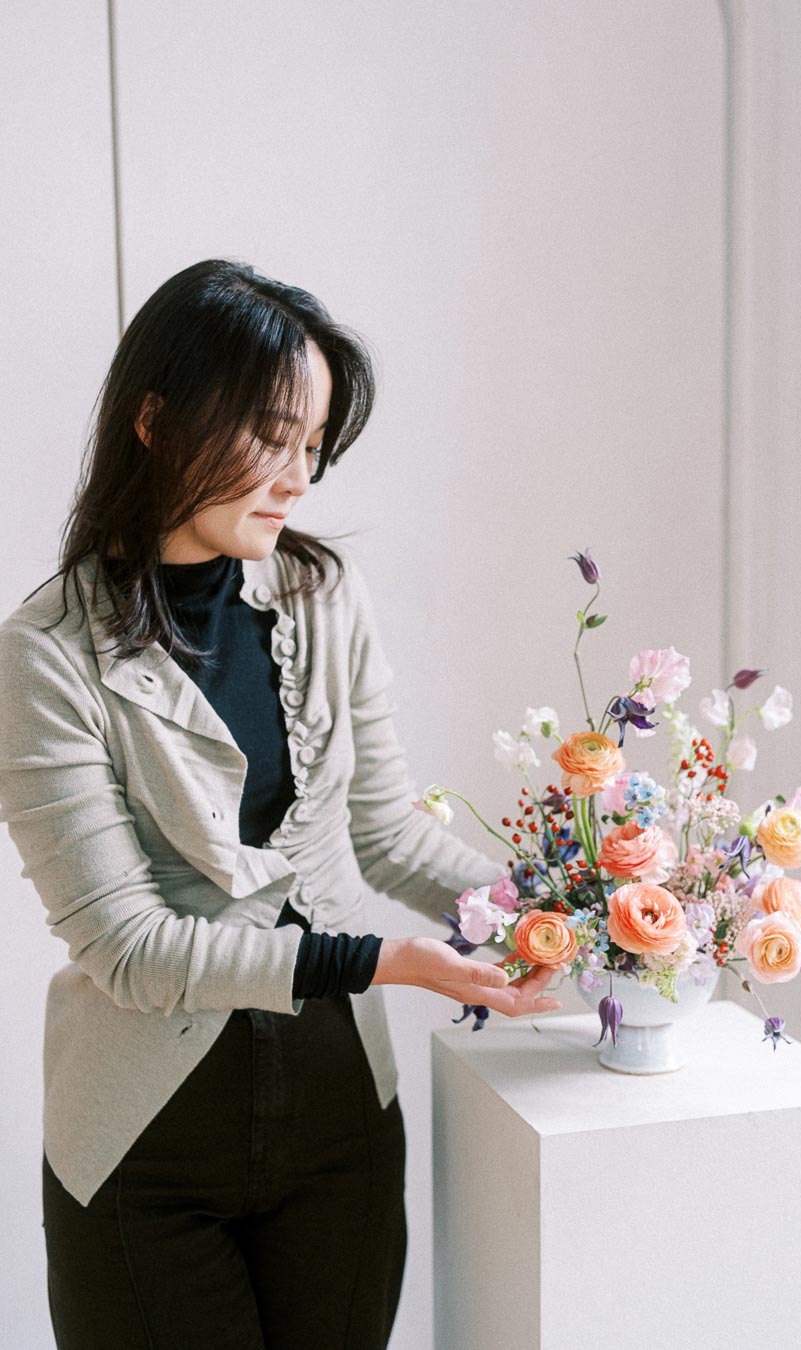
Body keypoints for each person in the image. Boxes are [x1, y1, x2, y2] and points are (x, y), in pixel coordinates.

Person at [0, 258, 562, 1350]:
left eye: (313, 446)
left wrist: (560, 901)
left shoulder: (320, 594)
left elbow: (384, 831)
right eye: (271, 434)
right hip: (145, 1143)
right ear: (158, 419)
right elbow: (129, 948)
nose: (299, 476)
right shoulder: (45, 656)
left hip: (340, 1119)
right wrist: (384, 962)